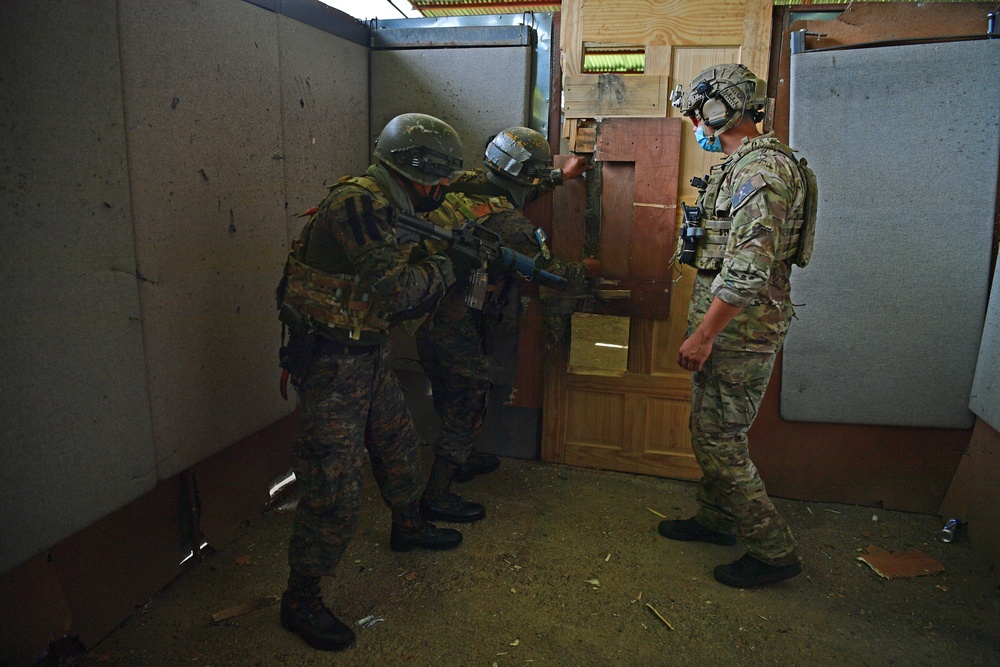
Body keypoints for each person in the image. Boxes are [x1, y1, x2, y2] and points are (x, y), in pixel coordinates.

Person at [274, 112, 481, 651]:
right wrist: (450, 266)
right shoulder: (359, 203)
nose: (441, 191)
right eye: (436, 180)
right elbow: (396, 291)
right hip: (332, 364)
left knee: (397, 444)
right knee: (335, 486)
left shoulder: (393, 203)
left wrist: (444, 255)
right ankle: (300, 599)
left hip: (365, 352)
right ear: (412, 171)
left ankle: (407, 527)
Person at [660, 64, 817, 588]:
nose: (695, 125)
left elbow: (749, 269)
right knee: (710, 429)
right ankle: (717, 518)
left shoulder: (761, 173)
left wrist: (705, 334)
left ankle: (774, 551)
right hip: (731, 327)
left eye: (697, 114)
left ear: (719, 108)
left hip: (738, 332)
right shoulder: (740, 167)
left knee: (719, 440)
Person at [414, 126, 597, 525]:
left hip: (430, 315)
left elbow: (513, 187)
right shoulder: (511, 223)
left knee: (450, 391)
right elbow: (551, 274)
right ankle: (437, 494)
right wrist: (588, 269)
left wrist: (559, 176)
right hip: (456, 320)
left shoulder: (465, 185)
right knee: (468, 397)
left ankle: (459, 458)